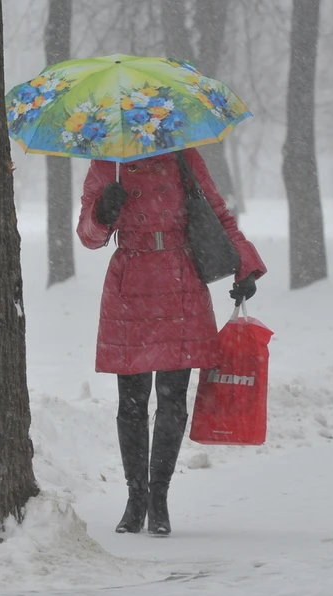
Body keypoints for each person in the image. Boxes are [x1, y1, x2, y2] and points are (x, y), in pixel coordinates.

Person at [77, 147, 267, 536]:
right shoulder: (106, 163)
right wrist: (103, 213)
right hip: (130, 285)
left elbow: (218, 213)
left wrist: (245, 266)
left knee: (171, 399)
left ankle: (159, 497)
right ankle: (136, 498)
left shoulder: (183, 156)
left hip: (181, 283)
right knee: (131, 402)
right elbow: (88, 236)